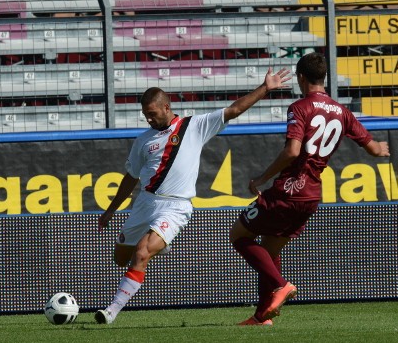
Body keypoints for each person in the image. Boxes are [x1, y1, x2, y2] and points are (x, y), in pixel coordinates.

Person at [95, 68, 292, 324]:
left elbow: (233, 110)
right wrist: (110, 211)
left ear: (167, 107)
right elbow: (130, 177)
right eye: (145, 116)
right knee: (120, 258)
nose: (149, 121)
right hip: (145, 203)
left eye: (152, 115)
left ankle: (111, 311)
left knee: (142, 253)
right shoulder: (143, 140)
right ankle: (156, 240)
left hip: (175, 207)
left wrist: (265, 88)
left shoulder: (194, 126)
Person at [230, 52, 390, 326]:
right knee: (269, 250)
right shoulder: (342, 111)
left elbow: (292, 151)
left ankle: (281, 285)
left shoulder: (299, 107)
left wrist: (262, 178)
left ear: (301, 77)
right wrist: (381, 149)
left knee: (238, 235)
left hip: (289, 189)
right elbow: (374, 149)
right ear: (324, 78)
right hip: (311, 195)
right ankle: (262, 317)